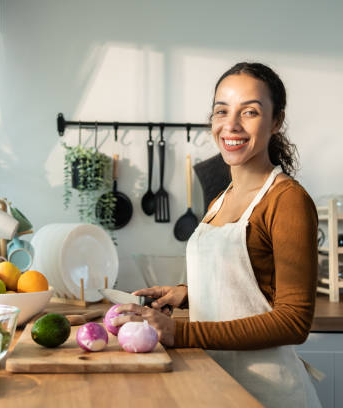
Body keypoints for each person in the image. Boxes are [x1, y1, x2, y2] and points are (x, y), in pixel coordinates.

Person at [112, 62, 321, 407]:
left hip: (267, 393)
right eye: (221, 111)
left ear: (276, 121)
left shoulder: (287, 201)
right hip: (215, 383)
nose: (231, 125)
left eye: (250, 112)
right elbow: (247, 287)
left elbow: (294, 321)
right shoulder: (221, 198)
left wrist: (181, 333)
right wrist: (188, 294)